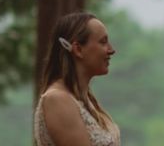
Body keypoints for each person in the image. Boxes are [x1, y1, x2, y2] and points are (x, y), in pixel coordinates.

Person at [34, 11, 120, 146]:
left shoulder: (85, 100)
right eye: (103, 42)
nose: (111, 50)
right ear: (78, 49)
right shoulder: (57, 99)